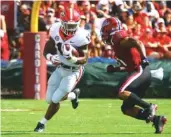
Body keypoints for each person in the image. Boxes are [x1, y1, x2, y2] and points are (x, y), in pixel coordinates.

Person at [100, 17, 167, 134]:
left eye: (106, 31)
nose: (104, 35)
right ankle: (156, 120)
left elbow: (138, 42)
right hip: (138, 71)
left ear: (112, 30)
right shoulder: (118, 45)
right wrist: (116, 69)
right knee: (126, 109)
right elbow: (129, 66)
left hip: (140, 70)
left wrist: (144, 57)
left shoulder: (120, 39)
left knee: (121, 91)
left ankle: (149, 106)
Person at [34, 7, 90, 132]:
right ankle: (73, 95)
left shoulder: (82, 35)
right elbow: (47, 50)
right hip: (60, 68)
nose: (70, 29)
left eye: (73, 25)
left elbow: (85, 59)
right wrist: (50, 57)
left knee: (55, 99)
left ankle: (42, 123)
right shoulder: (54, 29)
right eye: (67, 25)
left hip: (74, 71)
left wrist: (72, 59)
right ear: (62, 23)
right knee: (49, 99)